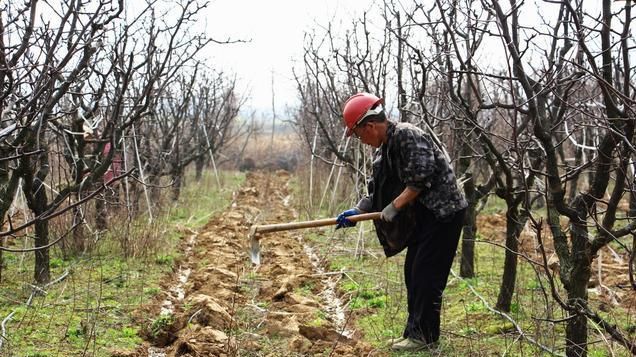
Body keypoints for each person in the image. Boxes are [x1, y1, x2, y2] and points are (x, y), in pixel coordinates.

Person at [335, 92, 467, 352]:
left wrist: (394, 207)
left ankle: (425, 338)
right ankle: (414, 333)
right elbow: (376, 191)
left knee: (427, 275)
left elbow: (421, 178)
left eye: (360, 135)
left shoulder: (408, 135)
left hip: (444, 213)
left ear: (370, 126)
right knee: (413, 274)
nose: (362, 141)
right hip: (423, 217)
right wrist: (357, 211)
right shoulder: (383, 151)